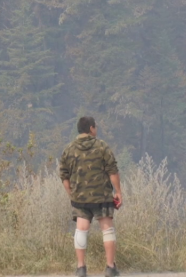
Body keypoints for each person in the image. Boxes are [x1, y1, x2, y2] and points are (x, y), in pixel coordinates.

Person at [59, 116, 122, 277]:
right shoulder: (102, 147)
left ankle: (81, 268)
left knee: (81, 230)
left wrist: (71, 193)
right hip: (102, 196)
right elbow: (112, 170)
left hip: (80, 197)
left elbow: (64, 175)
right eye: (96, 127)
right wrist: (118, 191)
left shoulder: (69, 149)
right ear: (91, 129)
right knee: (107, 230)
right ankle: (110, 267)